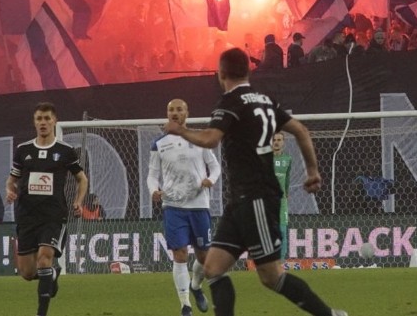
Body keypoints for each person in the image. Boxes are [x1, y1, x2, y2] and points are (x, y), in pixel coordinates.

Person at [163, 47, 347, 316]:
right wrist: (312, 171)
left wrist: (180, 130)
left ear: (221, 73)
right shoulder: (265, 99)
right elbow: (301, 131)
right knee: (213, 269)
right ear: (249, 70)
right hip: (240, 201)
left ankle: (328, 315)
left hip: (257, 197)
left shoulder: (230, 102)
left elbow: (211, 139)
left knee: (271, 276)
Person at [6, 102, 88, 316]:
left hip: (53, 215)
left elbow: (82, 178)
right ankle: (52, 273)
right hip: (26, 216)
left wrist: (78, 201)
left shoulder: (65, 151)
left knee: (44, 256)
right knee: (27, 272)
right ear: (34, 122)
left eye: (47, 118)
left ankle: (41, 313)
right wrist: (10, 190)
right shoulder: (23, 150)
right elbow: (12, 179)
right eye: (39, 119)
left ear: (54, 121)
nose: (43, 123)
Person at [148, 98, 220, 316]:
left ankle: (195, 286)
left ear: (187, 113)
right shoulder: (158, 144)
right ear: (167, 114)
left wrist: (211, 180)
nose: (175, 113)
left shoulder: (199, 139)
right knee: (179, 255)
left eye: (179, 109)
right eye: (171, 110)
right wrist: (154, 190)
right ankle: (185, 305)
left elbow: (215, 167)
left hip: (198, 205)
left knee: (204, 259)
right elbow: (152, 175)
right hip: (173, 206)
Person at [272, 132, 292, 260]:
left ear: (283, 142)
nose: (276, 142)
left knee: (283, 231)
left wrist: (286, 192)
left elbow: (288, 178)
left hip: (282, 201)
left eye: (279, 139)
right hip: (268, 201)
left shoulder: (288, 159)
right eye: (274, 139)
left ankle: (281, 261)